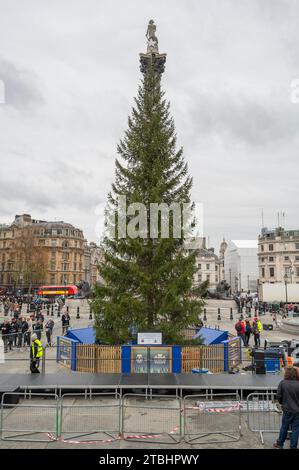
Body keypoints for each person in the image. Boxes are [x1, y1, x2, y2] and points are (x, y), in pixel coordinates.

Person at [273, 367, 299, 449]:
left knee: (284, 427)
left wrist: (282, 403)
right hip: (297, 411)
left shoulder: (283, 383)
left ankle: (280, 443)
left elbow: (278, 396)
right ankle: (293, 446)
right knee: (295, 430)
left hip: (287, 409)